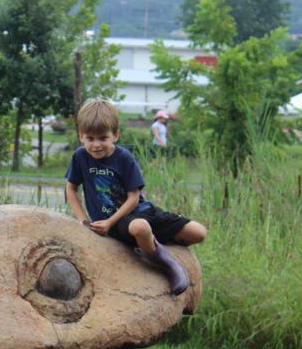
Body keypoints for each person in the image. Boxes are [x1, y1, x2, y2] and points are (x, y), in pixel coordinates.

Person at [65, 99, 207, 295]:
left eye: (103, 138)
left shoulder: (123, 157)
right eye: (90, 139)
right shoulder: (80, 157)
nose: (96, 145)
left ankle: (150, 245)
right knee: (139, 227)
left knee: (199, 233)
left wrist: (110, 221)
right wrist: (84, 220)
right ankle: (165, 264)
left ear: (115, 135)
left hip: (141, 211)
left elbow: (134, 197)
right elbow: (71, 189)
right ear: (81, 136)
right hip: (118, 223)